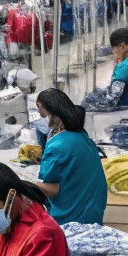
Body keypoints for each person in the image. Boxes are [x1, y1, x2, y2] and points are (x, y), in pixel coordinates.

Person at [35, 88, 107, 225]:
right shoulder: (81, 135)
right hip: (92, 209)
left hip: (72, 217)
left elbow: (52, 189)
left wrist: (26, 185)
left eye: (40, 112)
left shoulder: (58, 145)